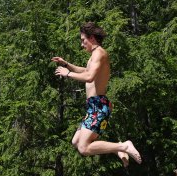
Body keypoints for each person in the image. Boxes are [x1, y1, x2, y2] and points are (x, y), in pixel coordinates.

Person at [52, 22, 142, 166]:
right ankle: (118, 149)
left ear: (92, 38)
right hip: (93, 106)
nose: (82, 44)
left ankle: (123, 146)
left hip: (99, 106)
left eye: (83, 40)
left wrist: (67, 74)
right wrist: (66, 64)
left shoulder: (99, 53)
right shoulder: (94, 55)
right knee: (76, 141)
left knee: (83, 148)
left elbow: (89, 77)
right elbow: (85, 71)